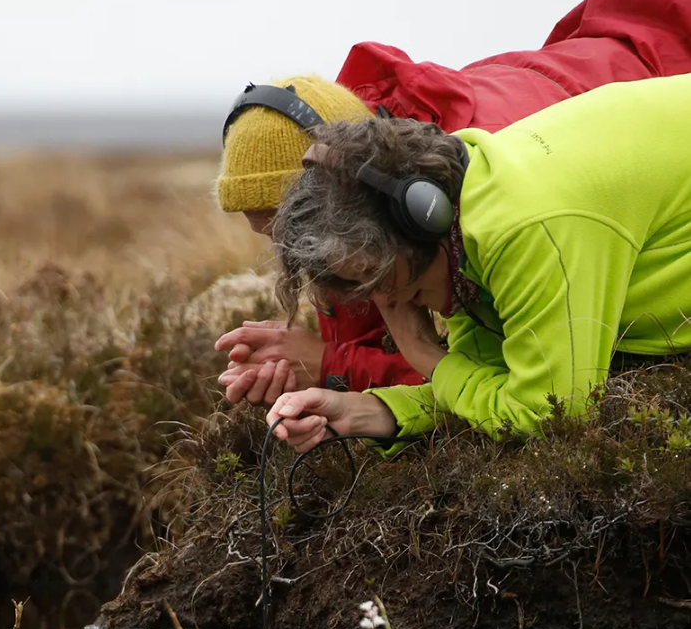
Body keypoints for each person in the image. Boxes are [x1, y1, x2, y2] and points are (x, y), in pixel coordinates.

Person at [213, 0, 691, 405]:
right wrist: (322, 369)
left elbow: (530, 389)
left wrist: (333, 366)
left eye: (286, 226)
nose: (290, 247)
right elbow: (431, 350)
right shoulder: (374, 210)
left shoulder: (478, 210)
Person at [261, 75, 691, 449]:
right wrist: (364, 411)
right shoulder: (463, 221)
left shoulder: (524, 228)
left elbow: (550, 414)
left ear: (421, 214)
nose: (387, 301)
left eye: (386, 278)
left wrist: (427, 357)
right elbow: (484, 381)